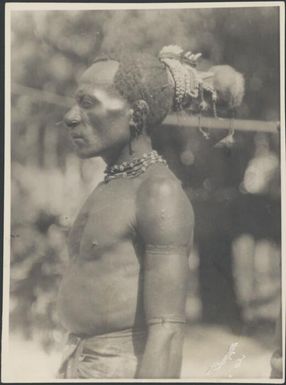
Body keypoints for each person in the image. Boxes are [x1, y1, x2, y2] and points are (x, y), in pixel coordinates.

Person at [56, 45, 240, 379]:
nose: (69, 116)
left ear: (135, 114)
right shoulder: (112, 184)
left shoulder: (158, 193)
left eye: (87, 103)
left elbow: (167, 333)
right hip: (81, 363)